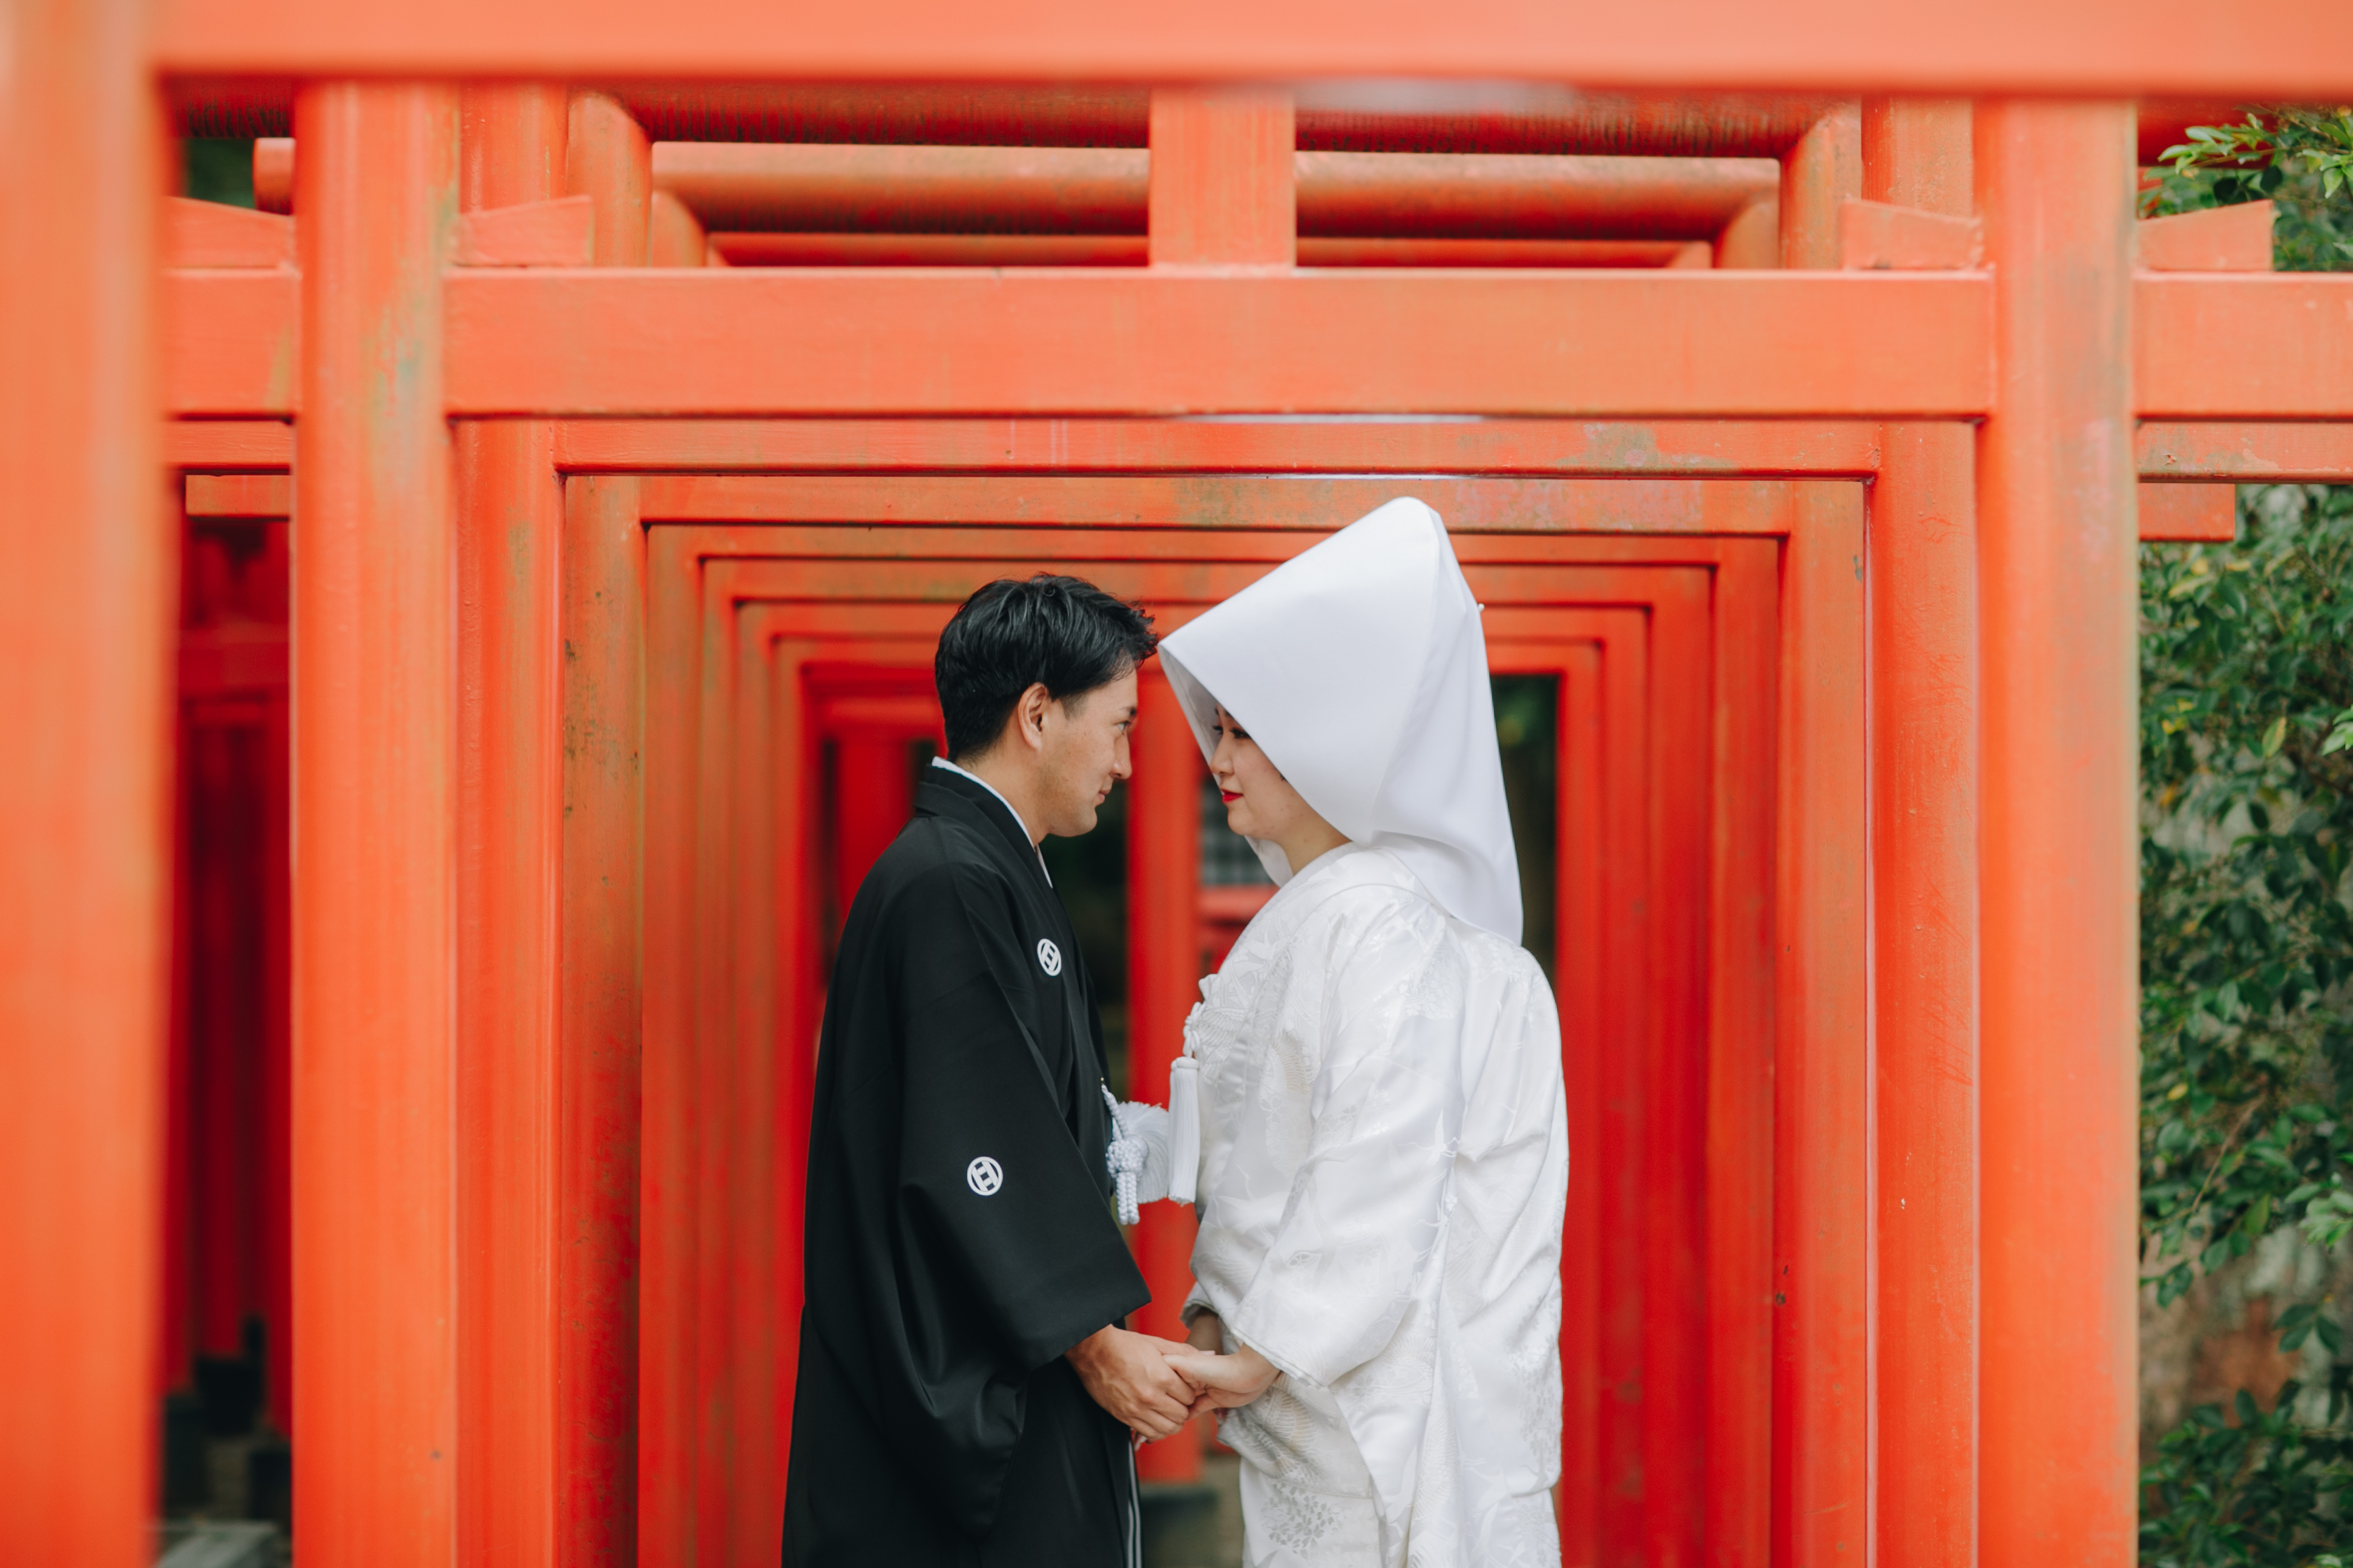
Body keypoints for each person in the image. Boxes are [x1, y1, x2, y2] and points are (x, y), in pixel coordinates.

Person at [1152, 498, 1571, 1568]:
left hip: (1350, 1382)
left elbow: (1375, 1154)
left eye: (1248, 732)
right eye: (1223, 729)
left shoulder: (1374, 916)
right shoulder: (1386, 914)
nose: (1222, 755)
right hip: (1331, 1369)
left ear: (1321, 741)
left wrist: (1262, 1340)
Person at [782, 574, 1202, 1567]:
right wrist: (1096, 1346)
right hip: (970, 1384)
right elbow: (979, 1141)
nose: (1127, 764)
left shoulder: (975, 870)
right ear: (1038, 714)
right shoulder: (951, 882)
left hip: (989, 1357)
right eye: (1119, 727)